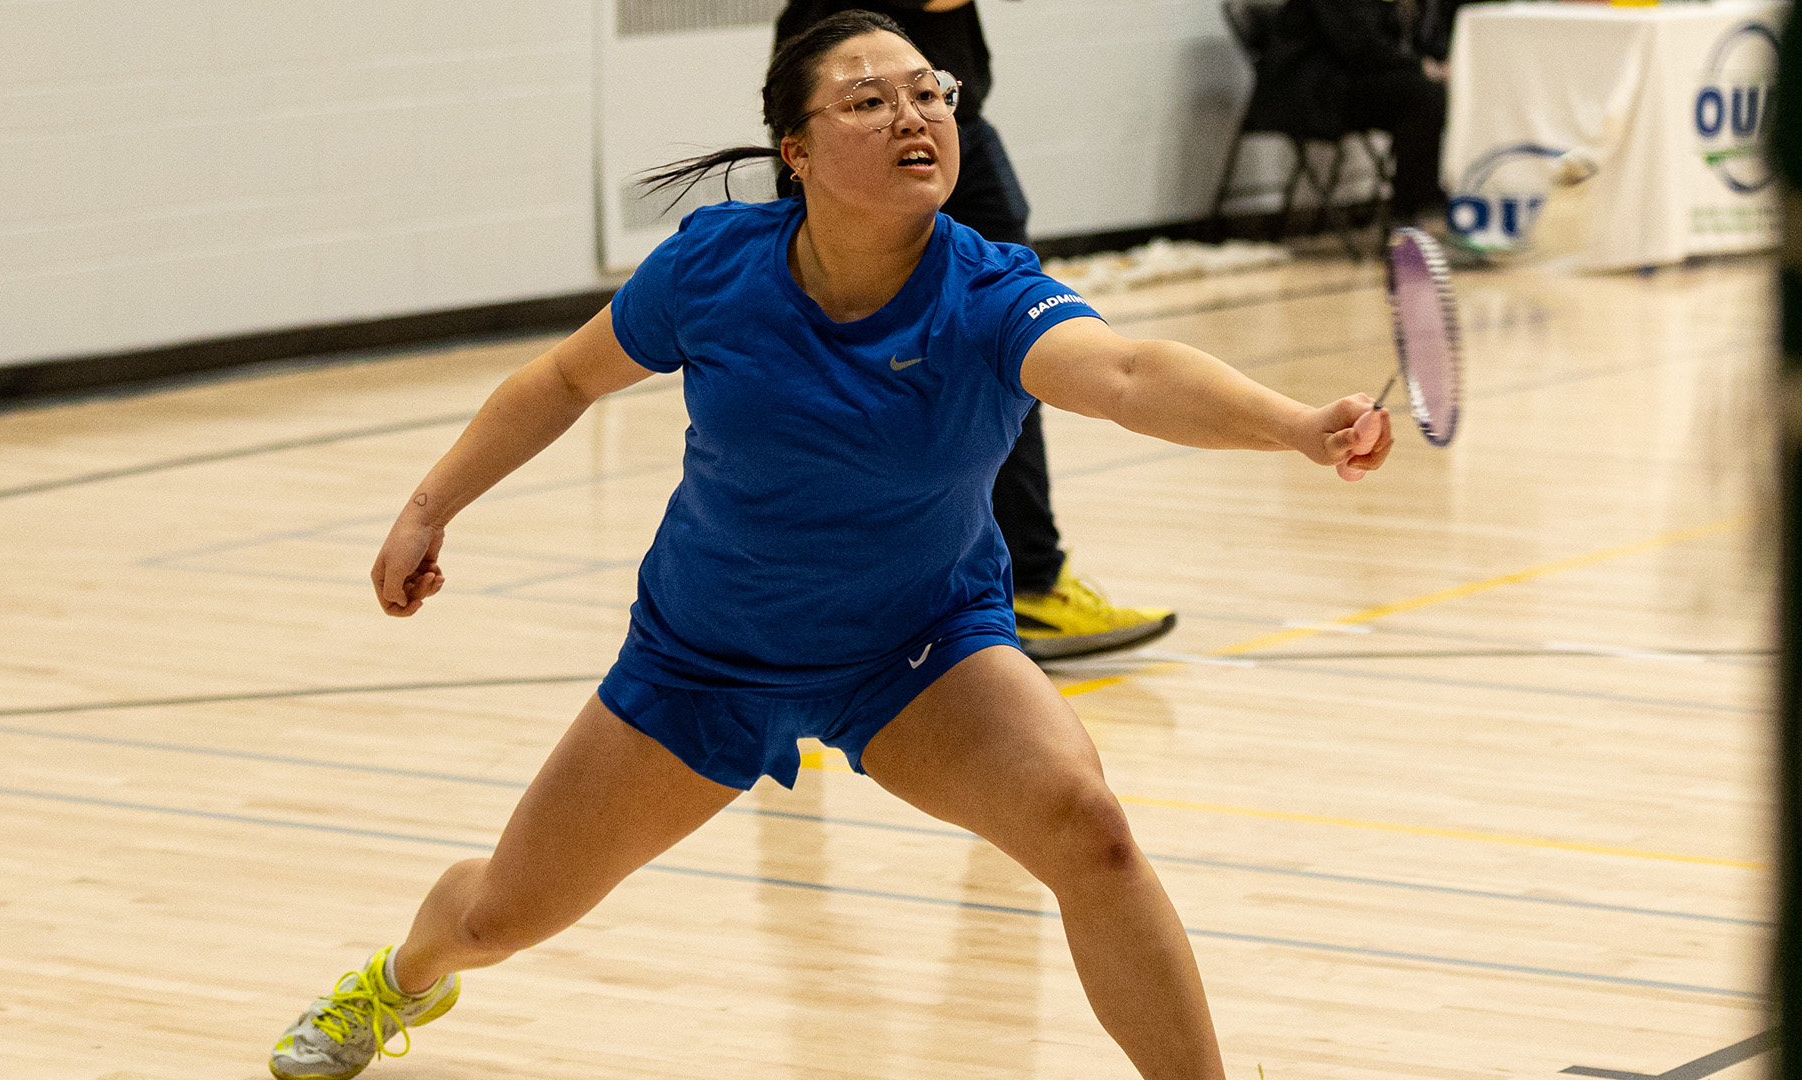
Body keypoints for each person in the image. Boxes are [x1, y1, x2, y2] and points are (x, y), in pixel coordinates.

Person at [266, 12, 1392, 1080]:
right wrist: (430, 504)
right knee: (499, 915)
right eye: (868, 101)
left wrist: (1296, 427)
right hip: (701, 661)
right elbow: (566, 377)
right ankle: (399, 981)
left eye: (928, 93)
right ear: (795, 151)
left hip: (918, 651)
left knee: (1087, 829)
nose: (914, 117)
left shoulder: (990, 294)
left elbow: (1132, 374)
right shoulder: (715, 270)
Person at [775, 0, 1176, 662]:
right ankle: (817, 599)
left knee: (1012, 356)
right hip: (856, 142)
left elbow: (1125, 373)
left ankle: (1027, 583)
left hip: (940, 136)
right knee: (828, 383)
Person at [1255, 0, 1451, 224]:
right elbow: (1358, 48)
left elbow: (1417, 38)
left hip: (1347, 83)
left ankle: (1427, 201)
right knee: (1422, 95)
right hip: (1313, 94)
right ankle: (1410, 212)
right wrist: (1420, 65)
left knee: (1438, 91)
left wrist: (1440, 62)